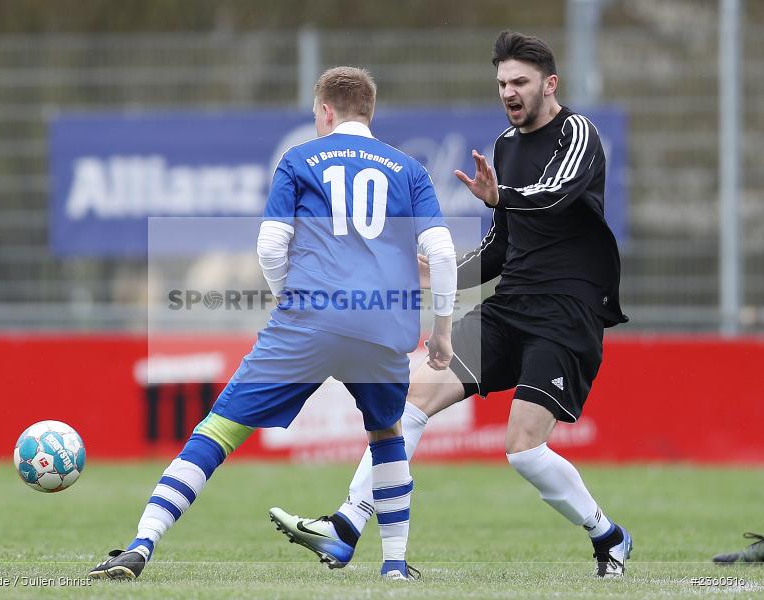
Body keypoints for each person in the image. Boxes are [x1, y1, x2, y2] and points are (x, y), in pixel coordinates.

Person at [269, 31, 633, 578]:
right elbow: (499, 251)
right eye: (502, 83)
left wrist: (499, 197)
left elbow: (557, 195)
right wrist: (436, 274)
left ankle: (608, 535)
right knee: (408, 400)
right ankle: (346, 526)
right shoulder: (506, 148)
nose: (509, 92)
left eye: (520, 82)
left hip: (567, 311)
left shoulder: (577, 132)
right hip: (509, 307)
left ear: (549, 84)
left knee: (524, 451)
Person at [89, 66, 457, 582]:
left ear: (325, 111)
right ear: (368, 111)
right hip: (381, 324)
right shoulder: (408, 170)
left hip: (307, 321)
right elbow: (440, 253)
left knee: (217, 430)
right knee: (387, 434)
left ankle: (141, 544)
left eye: (315, 114)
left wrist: (292, 299)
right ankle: (394, 566)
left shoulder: (299, 158)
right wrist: (441, 328)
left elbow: (269, 245)